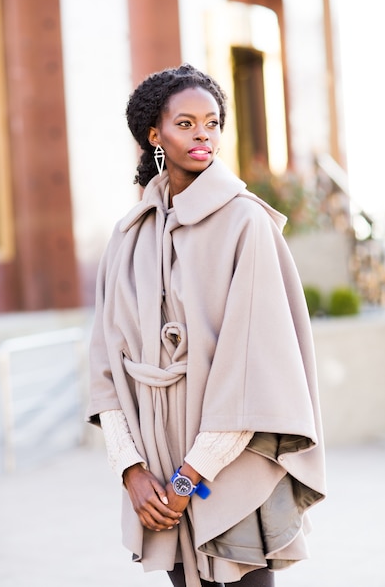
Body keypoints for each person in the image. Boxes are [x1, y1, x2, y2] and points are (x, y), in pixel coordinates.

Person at [87, 64, 326, 587]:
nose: (203, 135)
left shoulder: (247, 223)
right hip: (155, 472)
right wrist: (132, 473)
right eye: (186, 123)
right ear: (155, 134)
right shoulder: (127, 238)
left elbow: (253, 370)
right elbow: (105, 366)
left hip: (228, 469)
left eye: (213, 123)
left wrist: (189, 479)